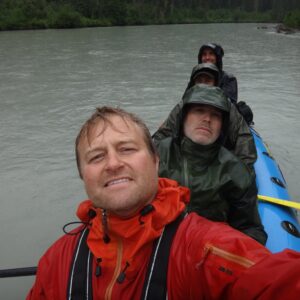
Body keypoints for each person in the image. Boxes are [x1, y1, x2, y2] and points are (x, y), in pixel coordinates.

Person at [27, 106, 300, 300]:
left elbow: (275, 281)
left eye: (127, 149)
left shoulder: (204, 249)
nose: (112, 163)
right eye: (96, 157)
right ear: (82, 176)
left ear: (156, 161)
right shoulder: (56, 261)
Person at [156, 84, 266, 245]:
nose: (207, 119)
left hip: (206, 252)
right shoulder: (156, 154)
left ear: (222, 126)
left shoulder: (235, 170)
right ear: (183, 116)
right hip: (156, 246)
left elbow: (250, 229)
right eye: (199, 110)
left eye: (215, 115)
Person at [152, 63, 257, 172]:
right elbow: (163, 134)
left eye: (207, 81)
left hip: (217, 165)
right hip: (185, 162)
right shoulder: (183, 105)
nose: (203, 85)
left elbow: (244, 140)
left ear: (215, 84)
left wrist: (239, 171)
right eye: (199, 81)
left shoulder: (228, 107)